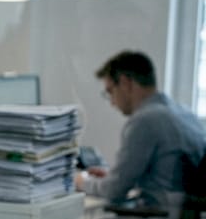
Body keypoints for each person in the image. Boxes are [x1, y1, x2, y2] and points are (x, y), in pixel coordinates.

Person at [74, 50, 206, 209]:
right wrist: (112, 177)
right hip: (184, 217)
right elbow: (164, 176)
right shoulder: (183, 113)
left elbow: (114, 191)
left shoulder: (145, 120)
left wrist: (82, 182)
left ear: (125, 83)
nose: (112, 103)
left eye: (110, 91)